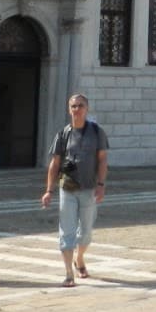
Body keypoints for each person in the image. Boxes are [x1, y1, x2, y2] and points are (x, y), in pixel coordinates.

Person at [40, 93, 109, 286]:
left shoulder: (97, 132)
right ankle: (69, 273)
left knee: (85, 232)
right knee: (66, 231)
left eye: (80, 106)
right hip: (67, 188)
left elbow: (102, 159)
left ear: (86, 109)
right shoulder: (63, 134)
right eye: (73, 106)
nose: (76, 110)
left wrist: (101, 185)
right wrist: (49, 190)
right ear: (69, 110)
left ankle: (80, 258)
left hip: (89, 188)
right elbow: (55, 163)